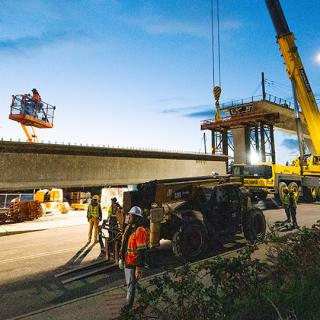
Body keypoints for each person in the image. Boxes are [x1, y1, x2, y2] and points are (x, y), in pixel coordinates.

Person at [119, 206, 148, 310]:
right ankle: (146, 299)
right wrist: (121, 258)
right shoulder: (128, 228)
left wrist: (139, 267)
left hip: (134, 263)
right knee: (132, 284)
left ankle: (128, 307)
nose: (128, 217)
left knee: (130, 286)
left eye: (130, 215)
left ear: (136, 217)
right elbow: (124, 244)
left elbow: (142, 251)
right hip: (127, 261)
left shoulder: (141, 231)